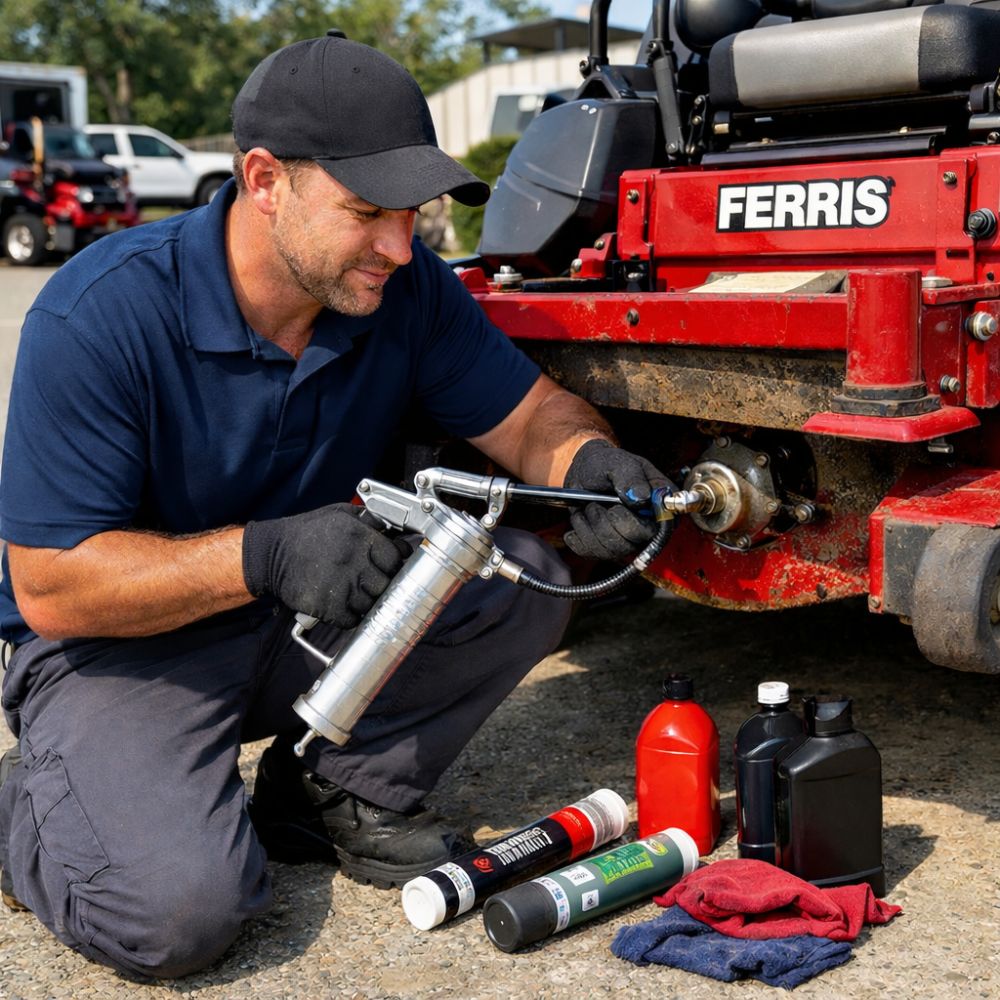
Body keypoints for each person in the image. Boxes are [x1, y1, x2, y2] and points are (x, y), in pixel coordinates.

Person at [0, 34, 670, 979]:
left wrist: (587, 458)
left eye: (415, 215)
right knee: (175, 917)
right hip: (119, 651)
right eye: (367, 213)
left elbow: (531, 420)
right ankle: (34, 808)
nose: (401, 247)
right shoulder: (101, 315)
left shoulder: (404, 291)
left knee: (525, 577)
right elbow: (53, 589)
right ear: (265, 180)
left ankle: (329, 791)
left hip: (304, 618)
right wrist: (262, 556)